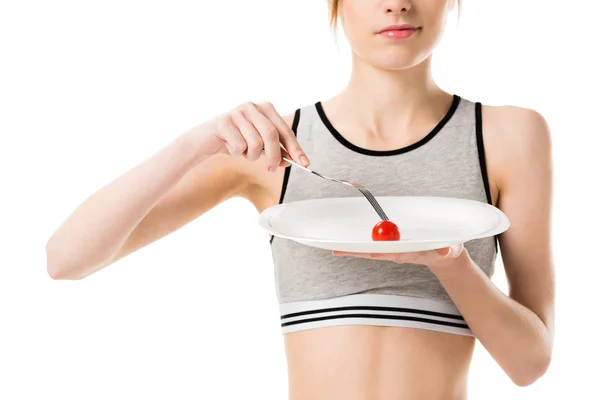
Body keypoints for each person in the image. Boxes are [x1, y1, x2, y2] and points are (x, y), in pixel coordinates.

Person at [45, 0, 555, 398]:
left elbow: (530, 363)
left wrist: (452, 264)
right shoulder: (274, 146)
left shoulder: (509, 136)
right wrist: (196, 143)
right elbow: (66, 259)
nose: (396, 5)